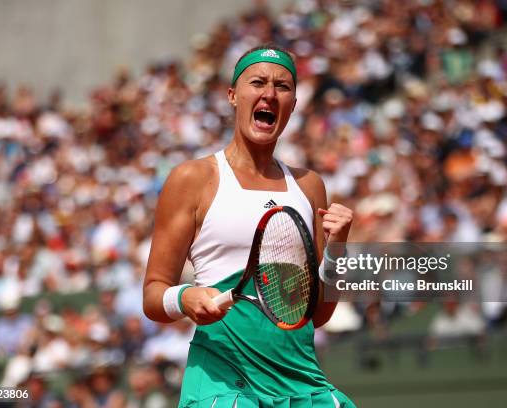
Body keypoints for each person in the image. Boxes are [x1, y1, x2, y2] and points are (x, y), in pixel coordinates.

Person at [144, 44, 355, 407]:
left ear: (293, 103)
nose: (269, 94)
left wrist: (337, 250)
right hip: (224, 386)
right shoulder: (193, 179)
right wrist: (185, 296)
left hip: (303, 383)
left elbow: (317, 315)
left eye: (283, 86)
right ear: (232, 96)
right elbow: (152, 294)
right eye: (257, 82)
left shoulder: (309, 186)